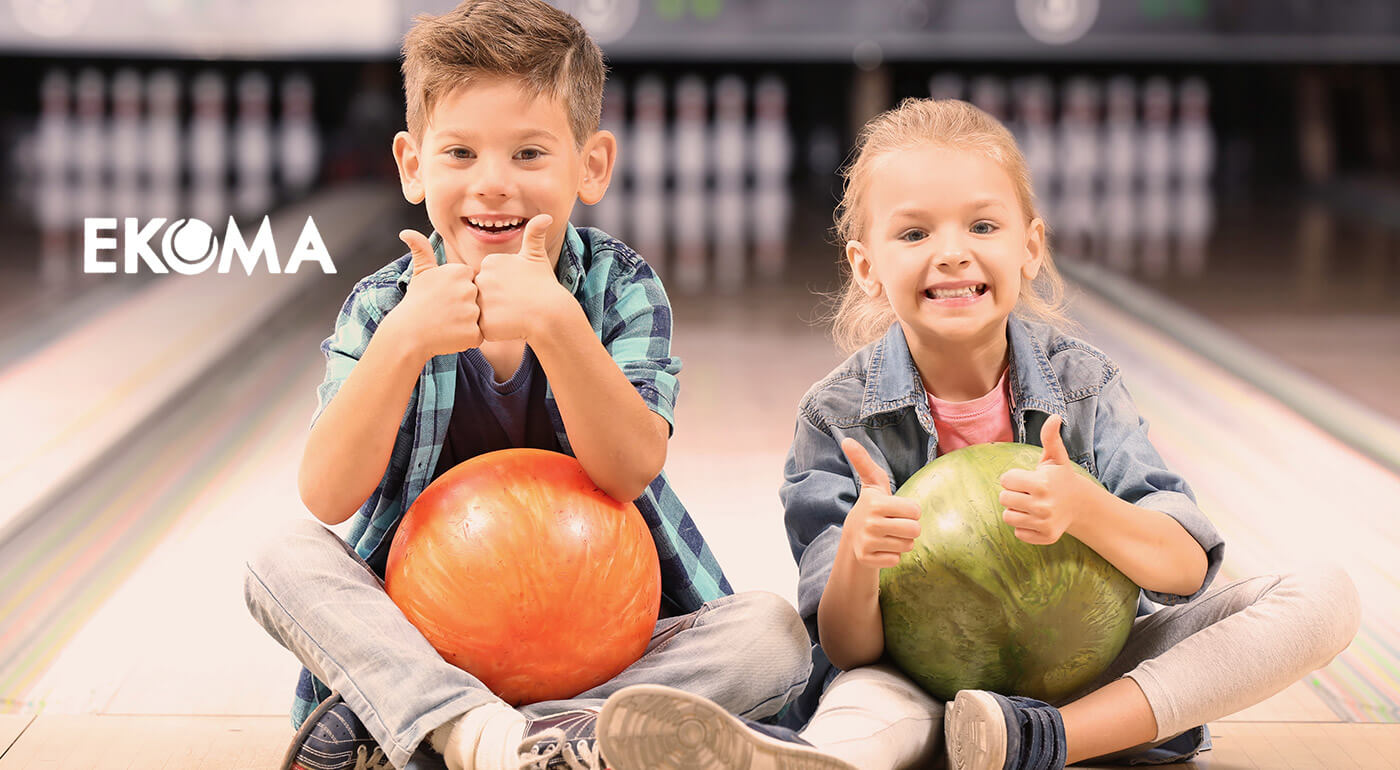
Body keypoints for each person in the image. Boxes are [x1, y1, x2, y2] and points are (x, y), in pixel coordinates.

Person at [603, 98, 1362, 770]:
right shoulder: (838, 417)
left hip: (1089, 671)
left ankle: (1043, 739)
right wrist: (859, 556)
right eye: (914, 233)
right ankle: (836, 758)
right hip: (914, 681)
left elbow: (1184, 570)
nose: (953, 251)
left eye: (983, 225)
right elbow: (849, 646)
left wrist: (1088, 510)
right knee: (863, 704)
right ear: (866, 267)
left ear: (1030, 248)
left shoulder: (1082, 386)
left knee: (1323, 598)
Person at [242, 3, 812, 769]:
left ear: (592, 165)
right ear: (413, 165)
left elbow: (629, 469)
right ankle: (527, 739)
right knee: (279, 556)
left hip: (608, 652)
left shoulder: (620, 288)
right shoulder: (383, 307)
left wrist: (558, 325)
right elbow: (327, 494)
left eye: (529, 154)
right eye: (461, 153)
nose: (494, 184)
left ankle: (459, 736)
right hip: (426, 642)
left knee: (773, 636)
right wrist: (403, 342)